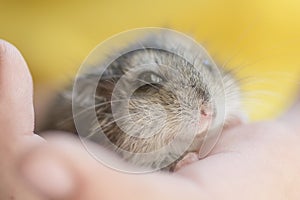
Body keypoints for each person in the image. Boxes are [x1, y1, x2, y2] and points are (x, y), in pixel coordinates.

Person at [0, 39, 299, 200]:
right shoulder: (86, 123)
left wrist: (289, 145)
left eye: (206, 66)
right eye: (150, 85)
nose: (206, 109)